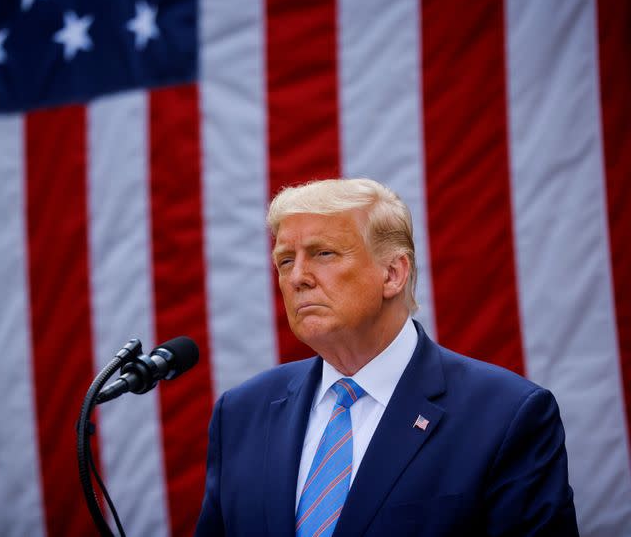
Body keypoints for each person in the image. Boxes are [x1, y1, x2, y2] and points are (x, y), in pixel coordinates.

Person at [195, 178, 578, 536]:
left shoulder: (506, 415)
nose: (298, 277)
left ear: (393, 273)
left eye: (322, 253)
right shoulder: (242, 413)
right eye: (285, 261)